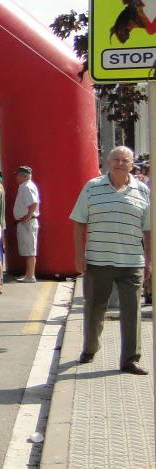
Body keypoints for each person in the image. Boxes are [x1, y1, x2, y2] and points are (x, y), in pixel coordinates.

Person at [70, 145, 150, 375]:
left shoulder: (143, 191)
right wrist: (78, 255)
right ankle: (90, 348)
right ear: (107, 162)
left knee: (132, 311)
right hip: (98, 260)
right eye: (116, 159)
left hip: (132, 262)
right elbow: (79, 222)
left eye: (125, 160)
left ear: (132, 164)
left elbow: (148, 229)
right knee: (94, 308)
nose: (120, 163)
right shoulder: (92, 188)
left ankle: (129, 360)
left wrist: (149, 260)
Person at [12, 165, 40, 283]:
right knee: (27, 249)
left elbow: (33, 203)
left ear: (23, 176)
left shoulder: (27, 187)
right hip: (25, 222)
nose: (16, 178)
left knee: (29, 250)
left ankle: (30, 275)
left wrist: (28, 216)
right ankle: (28, 273)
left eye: (18, 175)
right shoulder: (25, 186)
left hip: (27, 222)